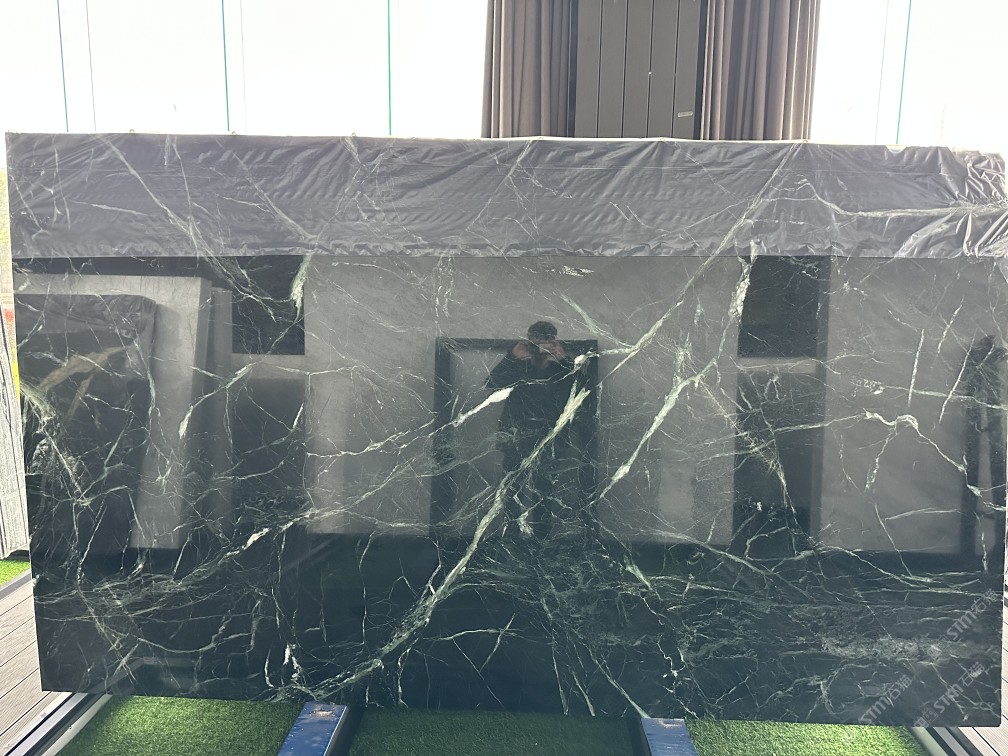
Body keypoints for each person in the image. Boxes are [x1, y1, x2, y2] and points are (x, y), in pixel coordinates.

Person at [485, 321, 581, 538]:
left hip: (548, 441)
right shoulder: (519, 369)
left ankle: (540, 541)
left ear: (554, 341)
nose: (541, 344)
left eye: (546, 339)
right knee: (512, 493)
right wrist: (512, 357)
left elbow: (581, 391)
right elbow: (492, 384)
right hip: (516, 440)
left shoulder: (559, 371)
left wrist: (563, 359)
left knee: (544, 494)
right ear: (529, 340)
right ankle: (512, 540)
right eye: (536, 338)